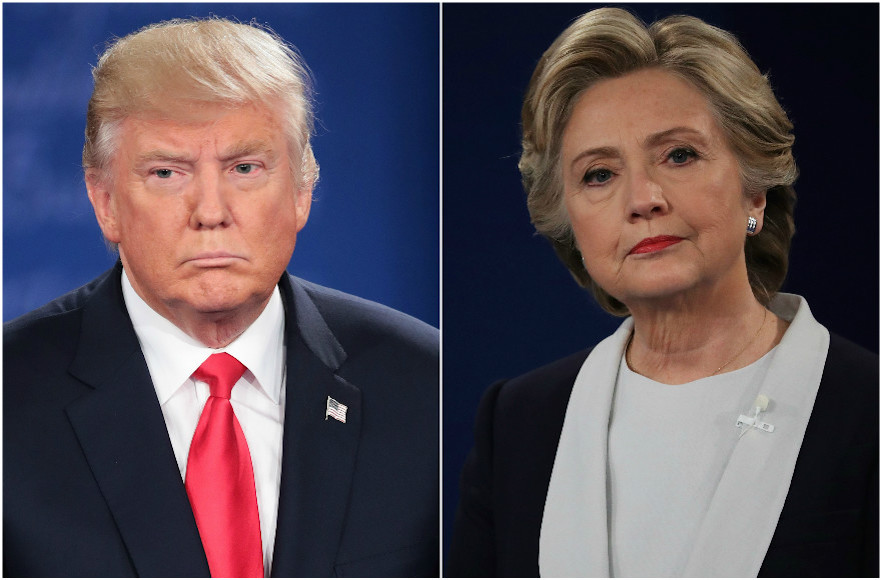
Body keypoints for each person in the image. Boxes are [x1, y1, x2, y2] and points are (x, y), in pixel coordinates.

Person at [447, 7, 877, 577]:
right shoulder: (518, 422)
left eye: (679, 155)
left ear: (756, 192)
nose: (642, 198)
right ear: (569, 219)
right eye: (599, 174)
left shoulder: (867, 409)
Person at [4, 17, 438, 577]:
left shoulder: (426, 385)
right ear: (105, 200)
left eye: (245, 168)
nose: (211, 211)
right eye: (167, 172)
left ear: (303, 191)